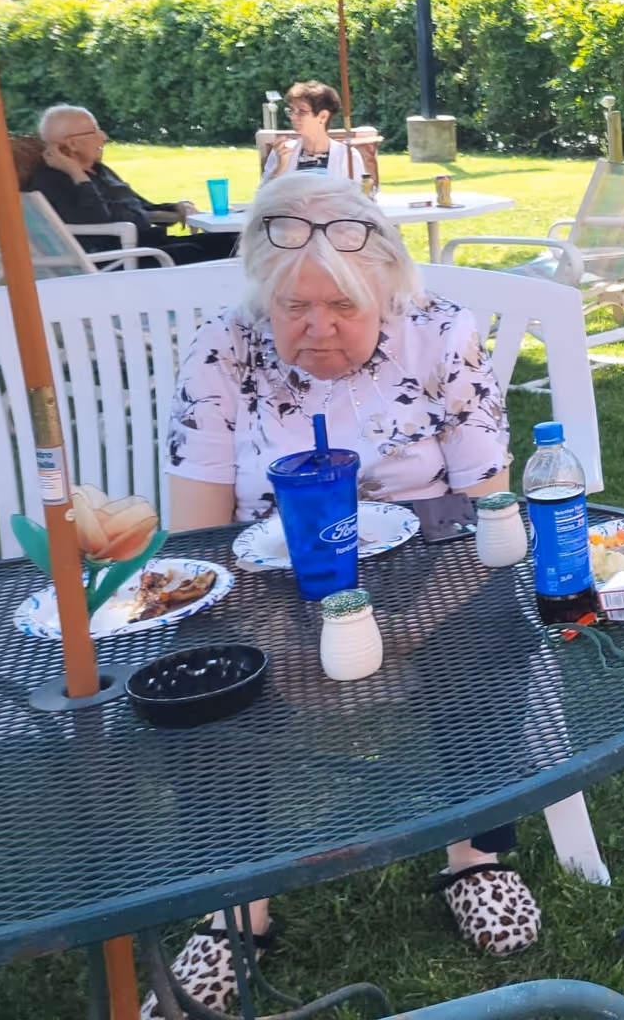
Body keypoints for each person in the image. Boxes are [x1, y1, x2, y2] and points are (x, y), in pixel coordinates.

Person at [154, 173, 537, 1016]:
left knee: (491, 628)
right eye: (294, 306)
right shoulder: (223, 347)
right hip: (265, 584)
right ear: (262, 292)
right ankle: (235, 902)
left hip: (433, 572)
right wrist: (276, 639)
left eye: (345, 306)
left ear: (389, 288)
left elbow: (492, 519)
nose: (317, 328)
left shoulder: (442, 335)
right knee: (203, 664)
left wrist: (405, 631)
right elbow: (196, 546)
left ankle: (477, 850)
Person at [25, 105, 239, 264]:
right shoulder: (52, 181)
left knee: (235, 240)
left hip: (148, 245)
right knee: (196, 252)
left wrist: (176, 207)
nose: (104, 137)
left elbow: (140, 207)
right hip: (119, 259)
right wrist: (76, 173)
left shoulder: (100, 171)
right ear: (70, 144)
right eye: (94, 132)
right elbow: (97, 222)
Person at [260, 80, 371, 183]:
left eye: (302, 111)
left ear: (323, 117)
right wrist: (280, 168)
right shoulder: (283, 152)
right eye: (292, 110)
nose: (293, 116)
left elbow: (360, 198)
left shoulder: (348, 157)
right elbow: (263, 198)